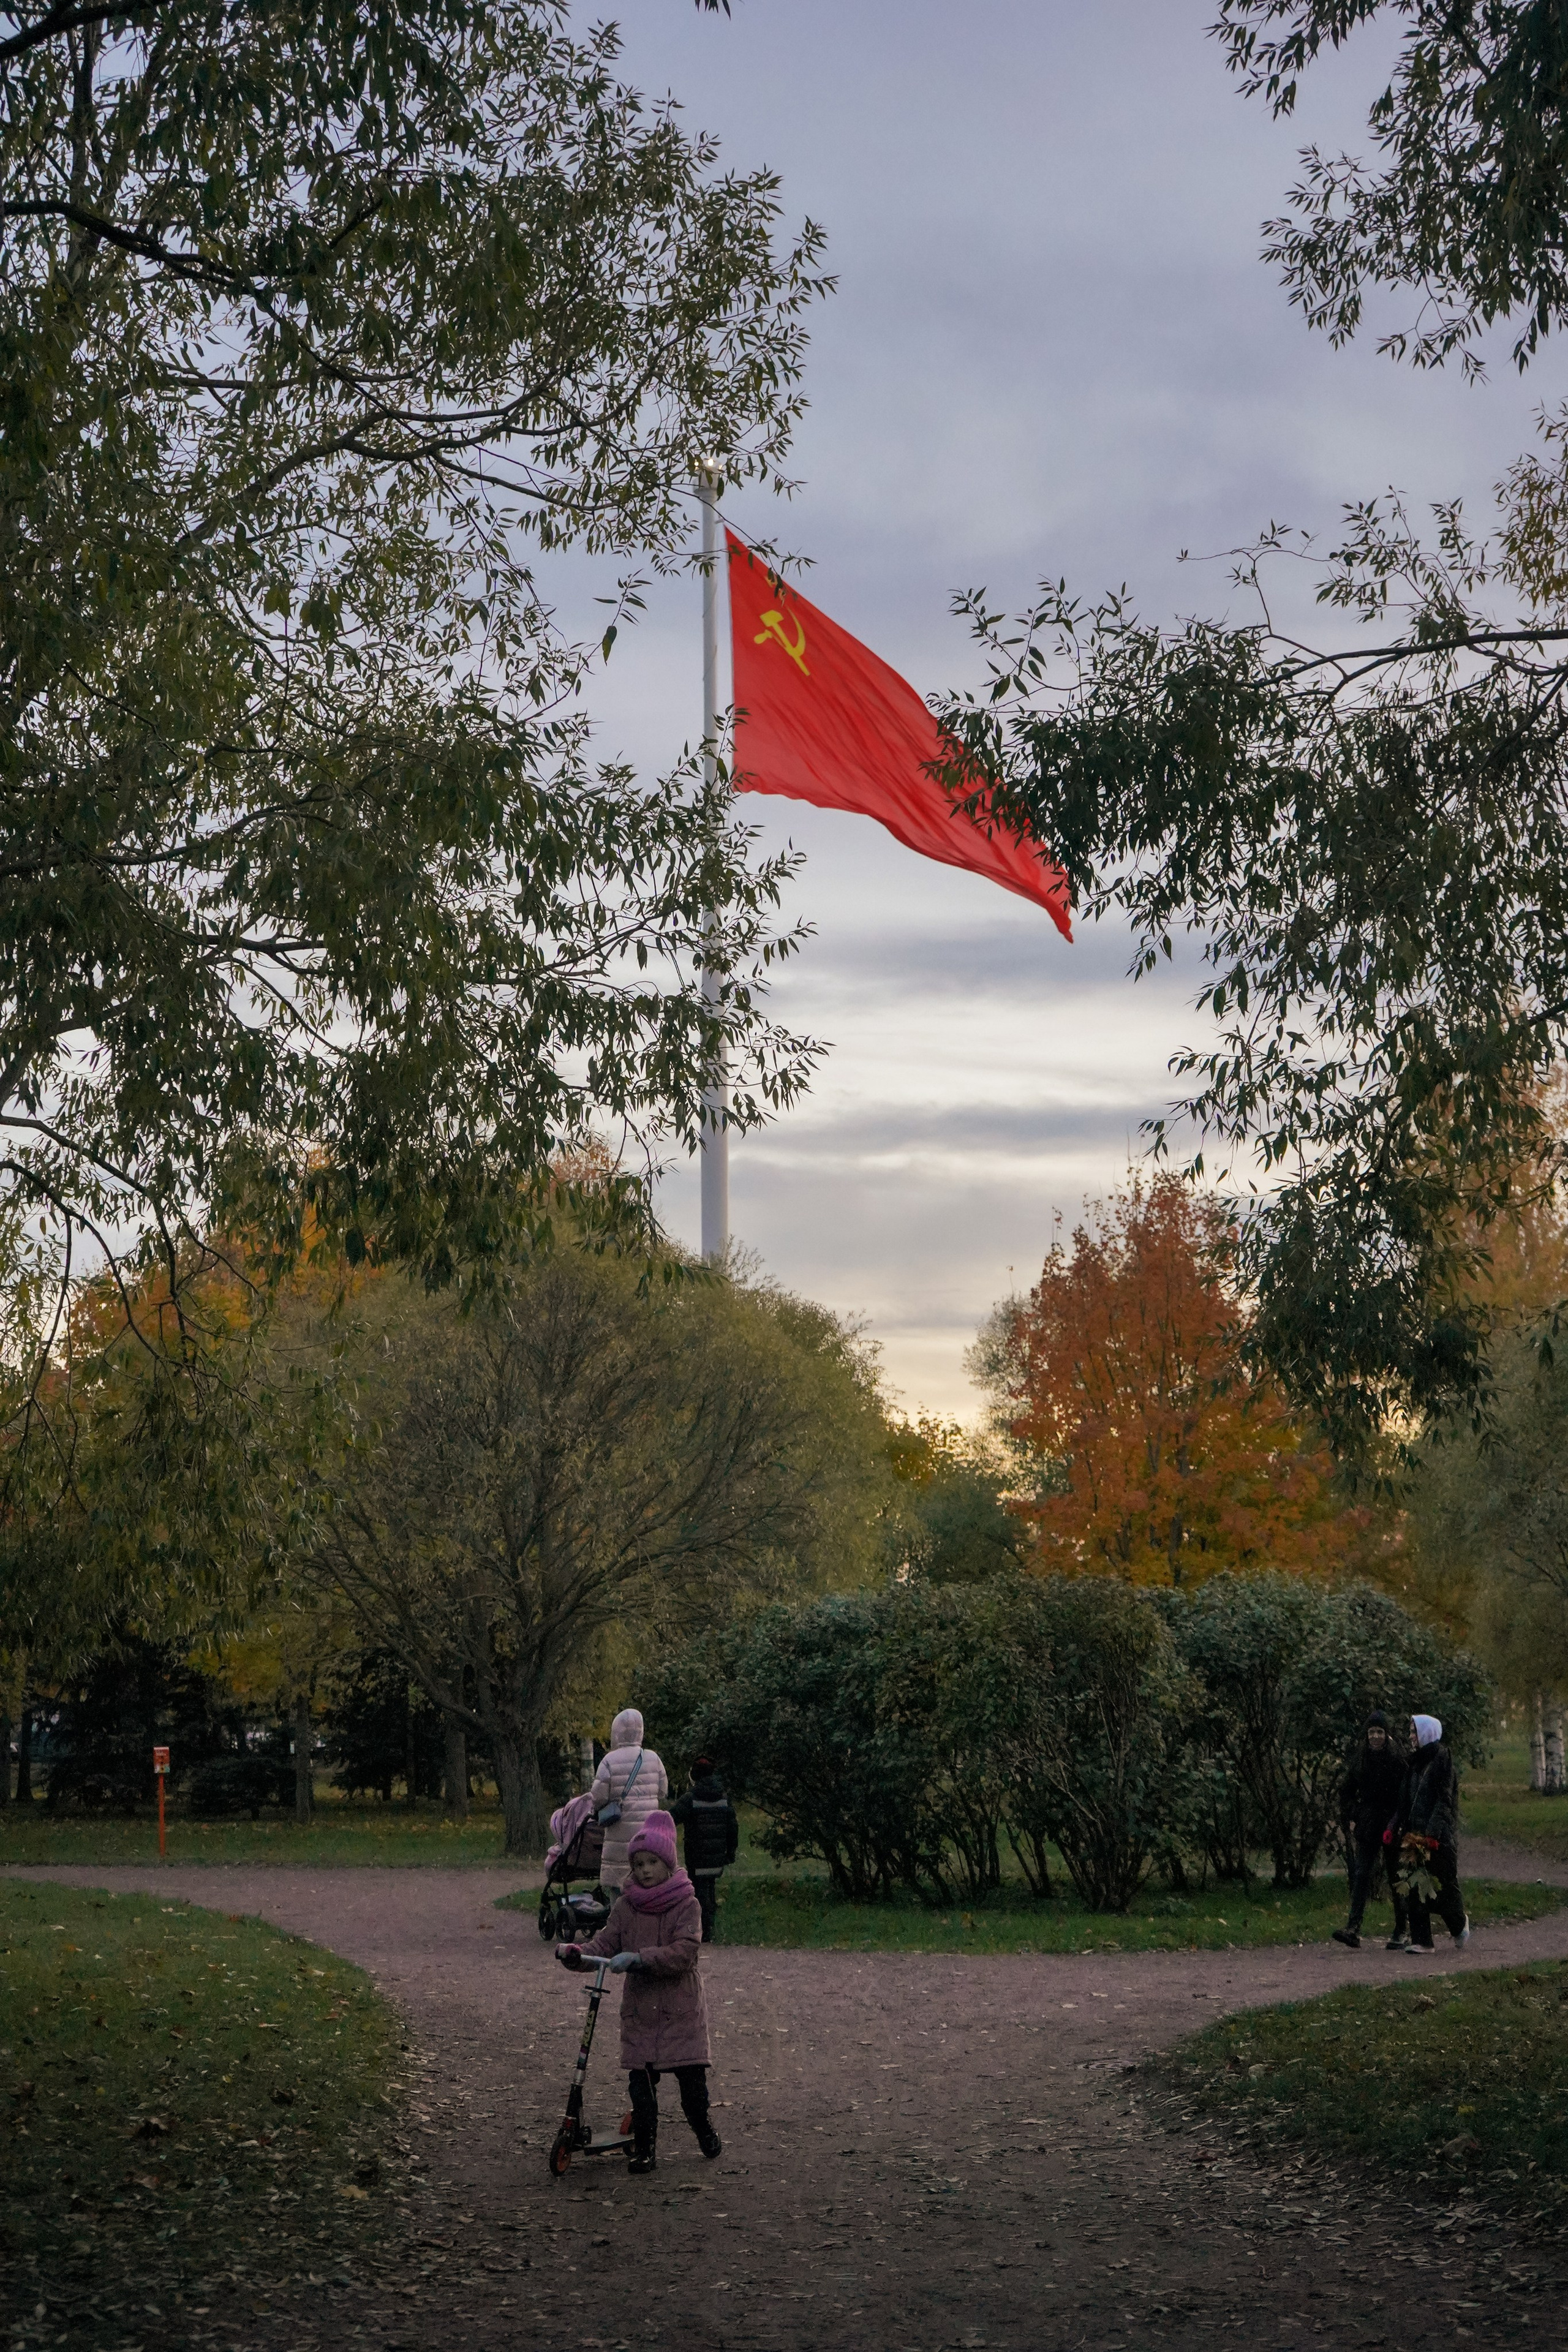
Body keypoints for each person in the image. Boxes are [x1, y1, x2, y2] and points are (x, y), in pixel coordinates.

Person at [558, 1809, 720, 2176]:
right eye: (639, 1864)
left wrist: (641, 1959)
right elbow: (605, 1944)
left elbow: (685, 1952)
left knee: (692, 2089)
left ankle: (703, 2127)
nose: (645, 1870)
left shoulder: (688, 1904)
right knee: (641, 2087)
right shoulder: (626, 1906)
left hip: (680, 2010)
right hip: (641, 2010)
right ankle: (645, 2147)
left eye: (652, 1862)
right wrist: (578, 1955)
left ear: (668, 1863)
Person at [1393, 1712, 1470, 1957]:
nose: (1411, 1737)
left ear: (1427, 1734)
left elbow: (1444, 1801)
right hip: (1415, 1835)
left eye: (1414, 1732)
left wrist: (1433, 1834)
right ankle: (1423, 1941)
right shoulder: (1414, 1763)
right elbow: (1405, 1801)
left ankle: (1459, 1925)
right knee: (1415, 1885)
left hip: (1438, 1838)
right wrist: (1394, 1826)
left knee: (1443, 1886)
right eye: (1411, 1732)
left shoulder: (1442, 1762)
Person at [1332, 1709, 1408, 1950]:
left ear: (1387, 1734)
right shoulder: (1361, 1758)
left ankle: (1402, 1929)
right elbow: (1346, 1791)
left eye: (1380, 1732)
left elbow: (1405, 1793)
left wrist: (1398, 1821)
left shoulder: (1397, 1758)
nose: (1375, 1736)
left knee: (1396, 1876)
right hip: (1368, 1824)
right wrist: (1356, 1814)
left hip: (1392, 1825)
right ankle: (1353, 1928)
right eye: (1372, 1732)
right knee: (1362, 1873)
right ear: (1367, 1734)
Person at [589, 1707, 668, 1897]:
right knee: (647, 1881)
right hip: (649, 1832)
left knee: (619, 1888)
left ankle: (620, 1916)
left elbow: (599, 1797)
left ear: (616, 1732)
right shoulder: (653, 1758)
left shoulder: (609, 1761)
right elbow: (663, 1792)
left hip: (619, 1833)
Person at [670, 1757, 739, 1943]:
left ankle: (702, 1930)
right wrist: (731, 1852)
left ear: (694, 1775)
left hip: (697, 1854)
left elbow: (671, 1818)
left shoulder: (690, 1798)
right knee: (709, 1887)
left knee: (699, 1891)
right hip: (717, 1855)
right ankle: (709, 1928)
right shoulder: (723, 1797)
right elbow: (733, 1826)